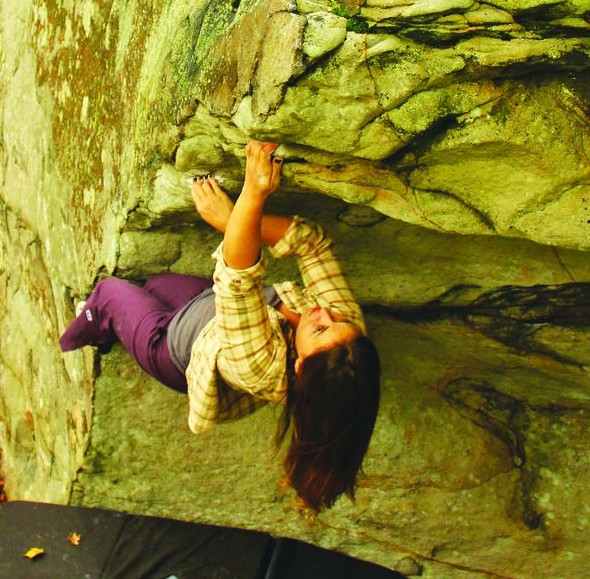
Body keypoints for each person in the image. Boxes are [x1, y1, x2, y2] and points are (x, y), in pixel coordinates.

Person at [60, 141, 381, 511]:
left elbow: (238, 279)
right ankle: (123, 318)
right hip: (207, 309)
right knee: (155, 284)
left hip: (172, 349)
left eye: (321, 329)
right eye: (337, 321)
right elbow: (314, 244)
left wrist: (251, 195)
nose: (324, 313)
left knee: (110, 293)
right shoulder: (348, 337)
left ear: (300, 366)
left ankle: (90, 326)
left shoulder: (259, 367)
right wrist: (235, 224)